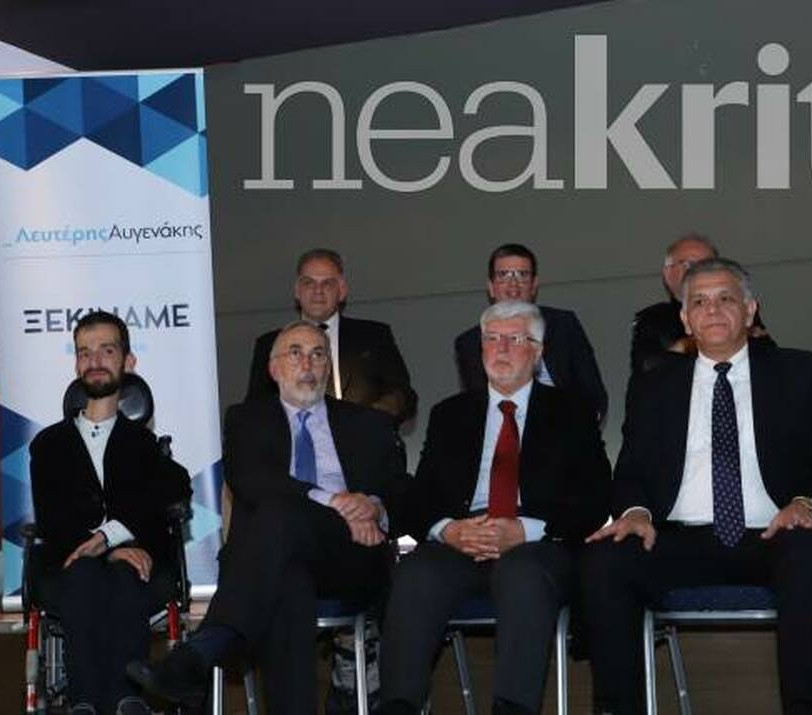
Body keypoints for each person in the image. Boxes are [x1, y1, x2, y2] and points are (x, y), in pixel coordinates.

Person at [129, 321, 406, 714]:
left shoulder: (366, 422)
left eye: (317, 354)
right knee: (287, 577)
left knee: (279, 518)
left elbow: (401, 487)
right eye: (295, 353)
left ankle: (202, 651)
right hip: (274, 557)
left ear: (328, 367)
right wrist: (335, 500)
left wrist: (373, 507)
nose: (307, 363)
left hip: (349, 553)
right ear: (274, 369)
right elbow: (252, 481)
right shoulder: (246, 419)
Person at [584, 258, 812, 714]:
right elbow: (630, 469)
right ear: (685, 318)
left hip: (773, 534)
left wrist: (806, 502)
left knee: (811, 552)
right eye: (699, 302)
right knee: (606, 560)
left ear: (750, 310)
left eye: (725, 298)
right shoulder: (654, 385)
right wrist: (635, 511)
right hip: (678, 539)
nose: (712, 309)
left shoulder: (802, 373)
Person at [379, 301, 611, 715]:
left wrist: (525, 530)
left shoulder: (571, 411)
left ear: (537, 352)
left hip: (538, 544)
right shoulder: (450, 414)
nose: (500, 348)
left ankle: (513, 708)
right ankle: (398, 706)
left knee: (521, 573)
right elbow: (420, 496)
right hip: (463, 540)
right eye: (491, 339)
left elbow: (595, 498)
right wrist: (448, 530)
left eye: (514, 339)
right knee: (416, 572)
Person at [30, 311, 191, 715]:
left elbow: (175, 488)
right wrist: (110, 547)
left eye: (107, 350)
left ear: (128, 361)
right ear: (76, 364)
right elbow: (53, 520)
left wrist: (111, 538)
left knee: (124, 576)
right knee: (85, 573)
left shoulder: (147, 446)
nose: (95, 361)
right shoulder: (48, 445)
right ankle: (85, 703)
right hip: (70, 565)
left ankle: (124, 700)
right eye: (85, 352)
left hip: (137, 569)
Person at [246, 248, 417, 425]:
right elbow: (255, 407)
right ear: (297, 291)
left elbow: (404, 395)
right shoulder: (271, 343)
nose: (318, 290)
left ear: (342, 291)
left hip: (365, 437)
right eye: (308, 283)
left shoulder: (374, 336)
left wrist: (376, 414)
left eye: (327, 283)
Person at [454, 243, 608, 422]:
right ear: (491, 287)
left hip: (566, 424)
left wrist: (582, 428)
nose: (513, 285)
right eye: (503, 275)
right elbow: (477, 408)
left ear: (534, 285)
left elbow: (593, 395)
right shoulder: (470, 342)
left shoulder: (564, 325)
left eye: (522, 275)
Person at [630, 233, 771, 374]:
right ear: (668, 274)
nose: (712, 310)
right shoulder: (652, 319)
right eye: (689, 265)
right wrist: (688, 344)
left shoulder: (738, 310)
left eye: (708, 264)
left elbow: (768, 358)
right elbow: (646, 368)